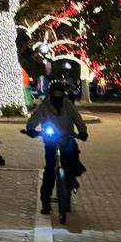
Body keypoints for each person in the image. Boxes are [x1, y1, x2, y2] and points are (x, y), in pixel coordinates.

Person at [25, 81, 89, 215]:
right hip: (51, 141)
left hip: (67, 139)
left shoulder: (68, 105)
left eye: (60, 94)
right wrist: (31, 129)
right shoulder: (44, 106)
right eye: (55, 94)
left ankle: (71, 182)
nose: (58, 97)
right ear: (51, 94)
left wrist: (82, 131)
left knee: (72, 160)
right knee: (49, 170)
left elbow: (77, 119)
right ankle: (46, 201)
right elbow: (34, 119)